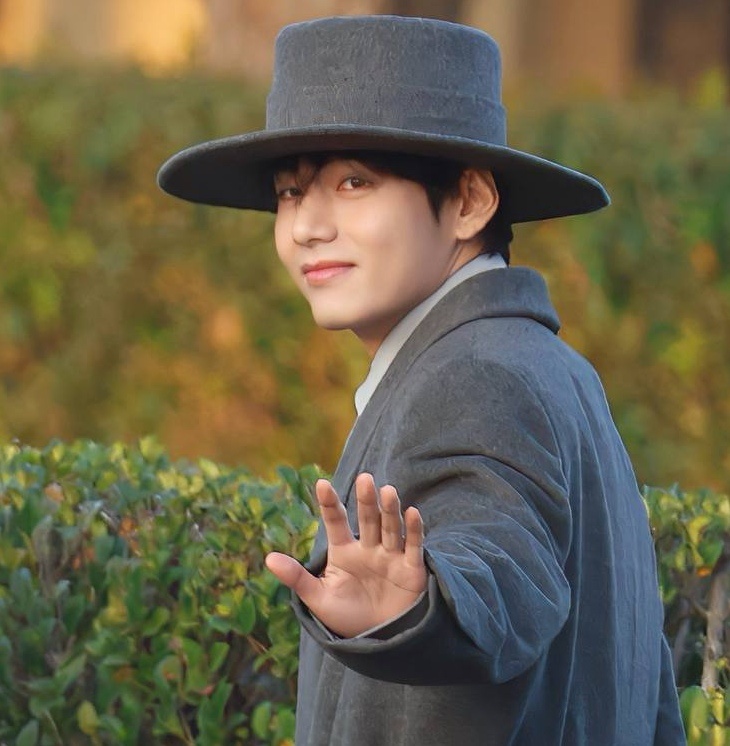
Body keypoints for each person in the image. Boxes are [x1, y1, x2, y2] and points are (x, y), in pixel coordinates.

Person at [157, 15, 685, 746]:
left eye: (354, 181)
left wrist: (424, 609)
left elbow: (497, 561)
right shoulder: (554, 369)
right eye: (289, 192)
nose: (307, 226)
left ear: (469, 202)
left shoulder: (476, 376)